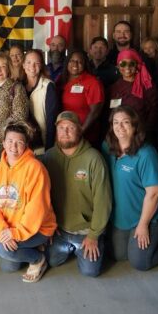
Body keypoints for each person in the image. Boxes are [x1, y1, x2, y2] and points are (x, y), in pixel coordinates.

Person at [103, 106, 158, 271]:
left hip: (147, 215)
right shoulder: (107, 148)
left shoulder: (146, 154)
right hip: (122, 216)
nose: (120, 127)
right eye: (116, 122)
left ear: (135, 126)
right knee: (119, 255)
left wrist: (143, 225)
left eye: (125, 122)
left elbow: (155, 193)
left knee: (139, 262)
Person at [43, 112, 111, 277]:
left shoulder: (94, 158)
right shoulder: (48, 157)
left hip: (85, 231)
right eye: (61, 128)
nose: (65, 132)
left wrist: (94, 235)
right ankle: (68, 247)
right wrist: (48, 227)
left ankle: (99, 242)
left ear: (80, 130)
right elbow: (41, 197)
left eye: (70, 128)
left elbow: (103, 201)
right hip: (59, 230)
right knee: (52, 261)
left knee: (90, 271)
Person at [0, 122, 57, 282]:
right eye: (10, 141)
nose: (14, 146)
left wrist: (15, 233)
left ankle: (38, 259)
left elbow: (37, 208)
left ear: (26, 145)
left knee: (0, 248)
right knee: (8, 266)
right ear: (3, 143)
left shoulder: (35, 168)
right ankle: (30, 247)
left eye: (19, 142)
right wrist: (2, 231)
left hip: (38, 228)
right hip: (8, 229)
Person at [108, 49, 158, 138]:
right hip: (118, 133)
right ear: (118, 66)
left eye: (131, 64)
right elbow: (109, 113)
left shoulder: (147, 86)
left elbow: (154, 111)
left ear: (137, 66)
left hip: (141, 134)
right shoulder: (113, 88)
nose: (127, 67)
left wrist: (144, 132)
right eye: (123, 64)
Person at [60, 49, 105, 144]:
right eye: (72, 61)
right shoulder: (61, 79)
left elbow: (95, 112)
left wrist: (81, 130)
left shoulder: (92, 82)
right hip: (64, 133)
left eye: (79, 62)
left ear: (85, 64)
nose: (75, 64)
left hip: (85, 135)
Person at [22, 49, 59, 154]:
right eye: (29, 62)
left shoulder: (48, 86)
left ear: (41, 65)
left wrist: (49, 149)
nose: (32, 67)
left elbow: (52, 121)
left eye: (36, 63)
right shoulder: (18, 86)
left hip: (42, 143)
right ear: (23, 65)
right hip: (22, 145)